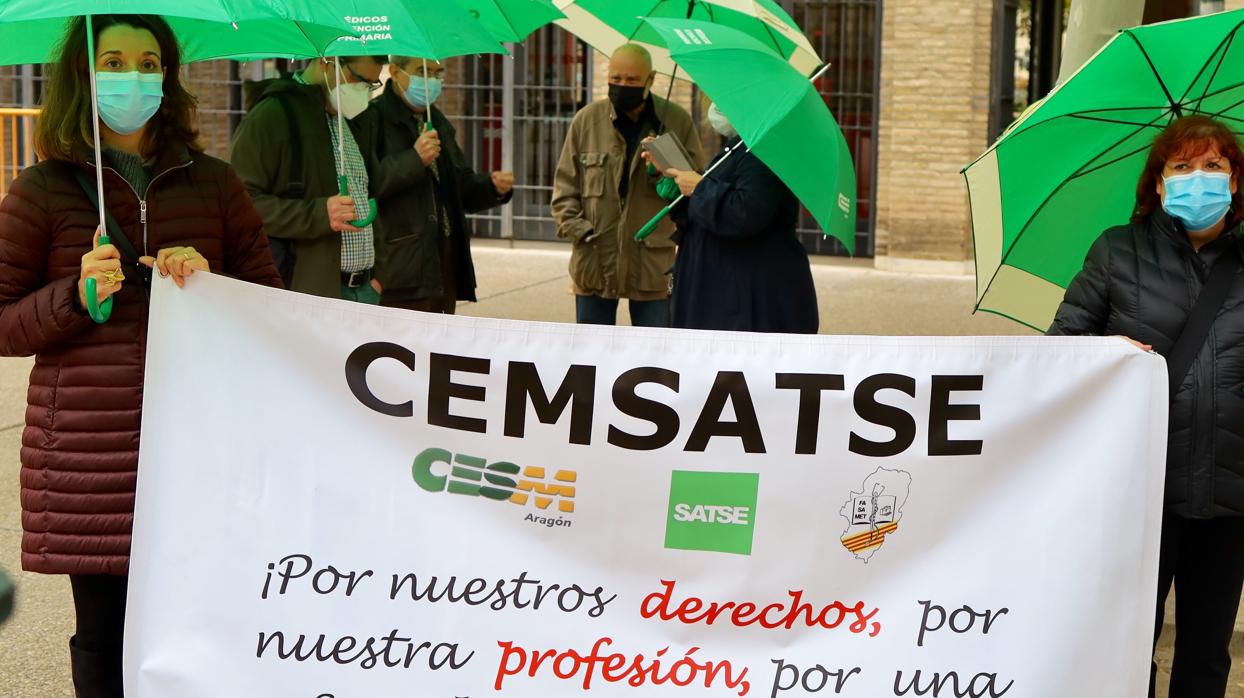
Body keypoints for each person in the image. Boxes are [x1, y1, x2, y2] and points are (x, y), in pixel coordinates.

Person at [0, 15, 281, 697]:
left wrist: (209, 281)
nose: (134, 76)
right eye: (116, 61)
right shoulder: (42, 191)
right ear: (83, 76)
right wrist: (74, 296)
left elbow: (270, 300)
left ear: (168, 75)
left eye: (149, 62)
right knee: (105, 633)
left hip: (199, 443)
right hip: (90, 455)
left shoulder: (213, 182)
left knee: (197, 624)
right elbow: (4, 322)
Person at [1048, 115, 1244, 698]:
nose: (1198, 179)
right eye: (1181, 167)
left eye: (1213, 166)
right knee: (1127, 644)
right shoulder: (1117, 252)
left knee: (1208, 655)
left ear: (1236, 182)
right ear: (1157, 184)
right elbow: (1059, 354)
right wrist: (1106, 354)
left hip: (1229, 492)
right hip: (1137, 489)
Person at [551, 43, 703, 327]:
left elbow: (694, 188)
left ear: (651, 79)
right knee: (590, 355)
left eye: (632, 80)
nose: (623, 86)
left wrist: (663, 162)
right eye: (616, 79)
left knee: (656, 356)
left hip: (652, 264)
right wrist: (580, 232)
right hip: (595, 258)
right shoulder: (586, 121)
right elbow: (564, 191)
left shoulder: (676, 121)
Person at [231, 54, 389, 302]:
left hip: (366, 289)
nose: (362, 92)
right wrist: (319, 214)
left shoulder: (351, 119)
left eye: (371, 85)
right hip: (312, 292)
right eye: (357, 79)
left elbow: (368, 194)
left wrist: (378, 275)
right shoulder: (271, 116)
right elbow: (241, 205)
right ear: (327, 62)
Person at [364, 56, 514, 313]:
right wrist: (414, 160)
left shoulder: (438, 122)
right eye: (422, 72)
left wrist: (492, 187)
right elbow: (367, 185)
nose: (431, 81)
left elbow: (460, 187)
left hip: (443, 265)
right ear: (397, 72)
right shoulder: (373, 118)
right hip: (400, 269)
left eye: (436, 73)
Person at [662, 102, 818, 333]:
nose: (716, 105)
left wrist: (699, 188)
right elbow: (708, 211)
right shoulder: (738, 148)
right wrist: (678, 187)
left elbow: (746, 213)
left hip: (747, 298)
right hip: (724, 292)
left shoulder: (763, 152)